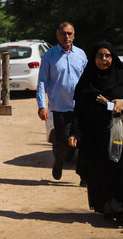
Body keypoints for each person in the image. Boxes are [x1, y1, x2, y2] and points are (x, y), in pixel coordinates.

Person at [68, 41, 123, 228]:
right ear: (94, 58)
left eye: (108, 55)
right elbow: (79, 110)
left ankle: (122, 213)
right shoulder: (87, 81)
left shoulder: (122, 77)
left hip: (118, 134)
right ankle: (106, 208)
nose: (104, 59)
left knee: (121, 172)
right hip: (95, 137)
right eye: (100, 56)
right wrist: (74, 133)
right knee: (99, 173)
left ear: (113, 57)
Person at [37, 22, 87, 181]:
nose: (67, 37)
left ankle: (84, 175)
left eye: (69, 34)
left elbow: (87, 80)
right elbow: (42, 82)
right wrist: (41, 105)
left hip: (80, 107)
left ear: (74, 35)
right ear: (57, 35)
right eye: (64, 33)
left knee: (84, 141)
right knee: (62, 142)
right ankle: (59, 162)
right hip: (60, 108)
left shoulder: (81, 54)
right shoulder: (49, 56)